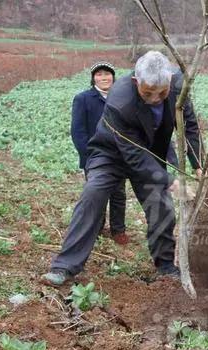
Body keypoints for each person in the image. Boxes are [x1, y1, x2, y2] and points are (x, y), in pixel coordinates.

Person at [41, 51, 202, 286]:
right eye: (148, 93)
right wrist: (169, 180)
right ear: (136, 81)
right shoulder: (120, 99)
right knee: (93, 193)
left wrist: (198, 164)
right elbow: (134, 156)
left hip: (150, 152)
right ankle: (64, 266)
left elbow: (190, 127)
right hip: (111, 153)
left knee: (161, 205)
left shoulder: (178, 87)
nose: (155, 99)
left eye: (162, 93)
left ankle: (165, 264)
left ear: (169, 82)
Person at [70, 61, 129, 245]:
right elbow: (78, 131)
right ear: (93, 78)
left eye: (107, 74)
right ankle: (96, 227)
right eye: (99, 74)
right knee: (97, 194)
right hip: (94, 157)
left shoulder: (121, 97)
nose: (104, 78)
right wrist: (88, 156)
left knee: (118, 193)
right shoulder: (83, 99)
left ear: (113, 77)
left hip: (118, 155)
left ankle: (118, 230)